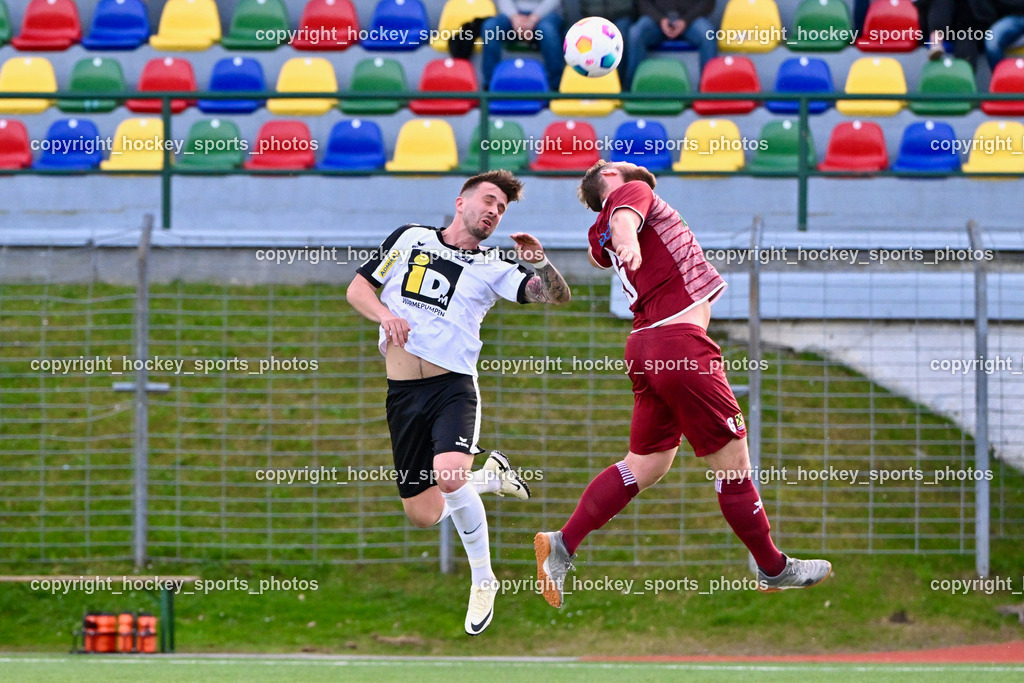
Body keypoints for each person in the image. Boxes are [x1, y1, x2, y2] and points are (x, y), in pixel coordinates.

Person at [533, 161, 832, 609]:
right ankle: (773, 566)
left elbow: (604, 242)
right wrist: (629, 234)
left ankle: (562, 543)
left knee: (646, 465)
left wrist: (623, 236)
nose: (636, 167)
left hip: (644, 347)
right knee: (732, 464)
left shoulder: (604, 227)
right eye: (621, 167)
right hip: (680, 345)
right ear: (611, 176)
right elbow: (622, 219)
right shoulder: (628, 193)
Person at [346, 170, 571, 635]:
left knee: (450, 475)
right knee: (423, 515)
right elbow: (358, 289)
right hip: (402, 394)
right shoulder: (410, 238)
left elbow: (554, 295)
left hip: (453, 389)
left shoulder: (494, 267)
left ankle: (484, 579)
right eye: (488, 200)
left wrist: (541, 263)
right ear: (461, 201)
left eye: (502, 208)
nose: (493, 211)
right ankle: (489, 478)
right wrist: (386, 315)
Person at [625, 0, 717, 89]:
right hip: (655, 20)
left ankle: (707, 90)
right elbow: (642, 2)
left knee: (708, 34)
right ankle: (633, 89)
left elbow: (708, 2)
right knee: (636, 33)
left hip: (691, 20)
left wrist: (686, 20)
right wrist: (660, 19)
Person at [482, 0, 565, 90]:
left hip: (548, 14)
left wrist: (533, 19)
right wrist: (514, 18)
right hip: (512, 16)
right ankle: (490, 87)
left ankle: (555, 87)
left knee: (547, 30)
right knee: (489, 28)